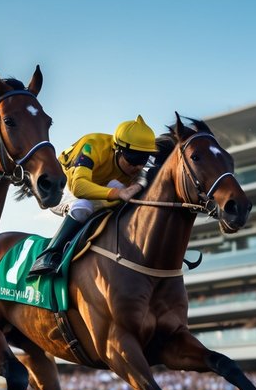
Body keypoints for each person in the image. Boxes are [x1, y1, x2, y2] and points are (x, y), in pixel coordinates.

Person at [27, 115, 158, 276]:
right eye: (133, 159)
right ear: (117, 149)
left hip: (99, 184)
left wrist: (137, 186)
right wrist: (118, 193)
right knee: (83, 205)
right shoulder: (92, 145)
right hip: (64, 187)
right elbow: (78, 188)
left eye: (143, 160)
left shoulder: (136, 167)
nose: (137, 166)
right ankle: (49, 254)